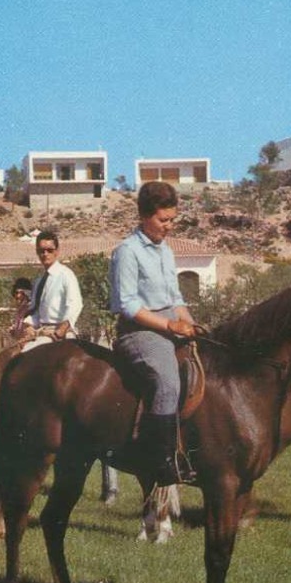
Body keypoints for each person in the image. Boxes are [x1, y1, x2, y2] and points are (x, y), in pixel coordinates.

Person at [109, 180, 200, 486]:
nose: (169, 226)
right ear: (144, 216)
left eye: (172, 220)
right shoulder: (127, 251)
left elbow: (175, 299)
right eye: (164, 220)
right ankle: (159, 459)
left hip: (167, 324)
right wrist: (171, 326)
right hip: (139, 331)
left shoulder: (165, 252)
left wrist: (191, 324)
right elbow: (129, 305)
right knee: (167, 379)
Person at [18, 228, 83, 352]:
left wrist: (62, 329)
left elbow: (75, 304)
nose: (45, 254)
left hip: (61, 334)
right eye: (41, 251)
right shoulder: (39, 281)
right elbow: (37, 311)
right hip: (43, 333)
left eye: (50, 250)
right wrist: (29, 325)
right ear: (37, 252)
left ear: (57, 251)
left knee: (26, 354)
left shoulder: (66, 275)